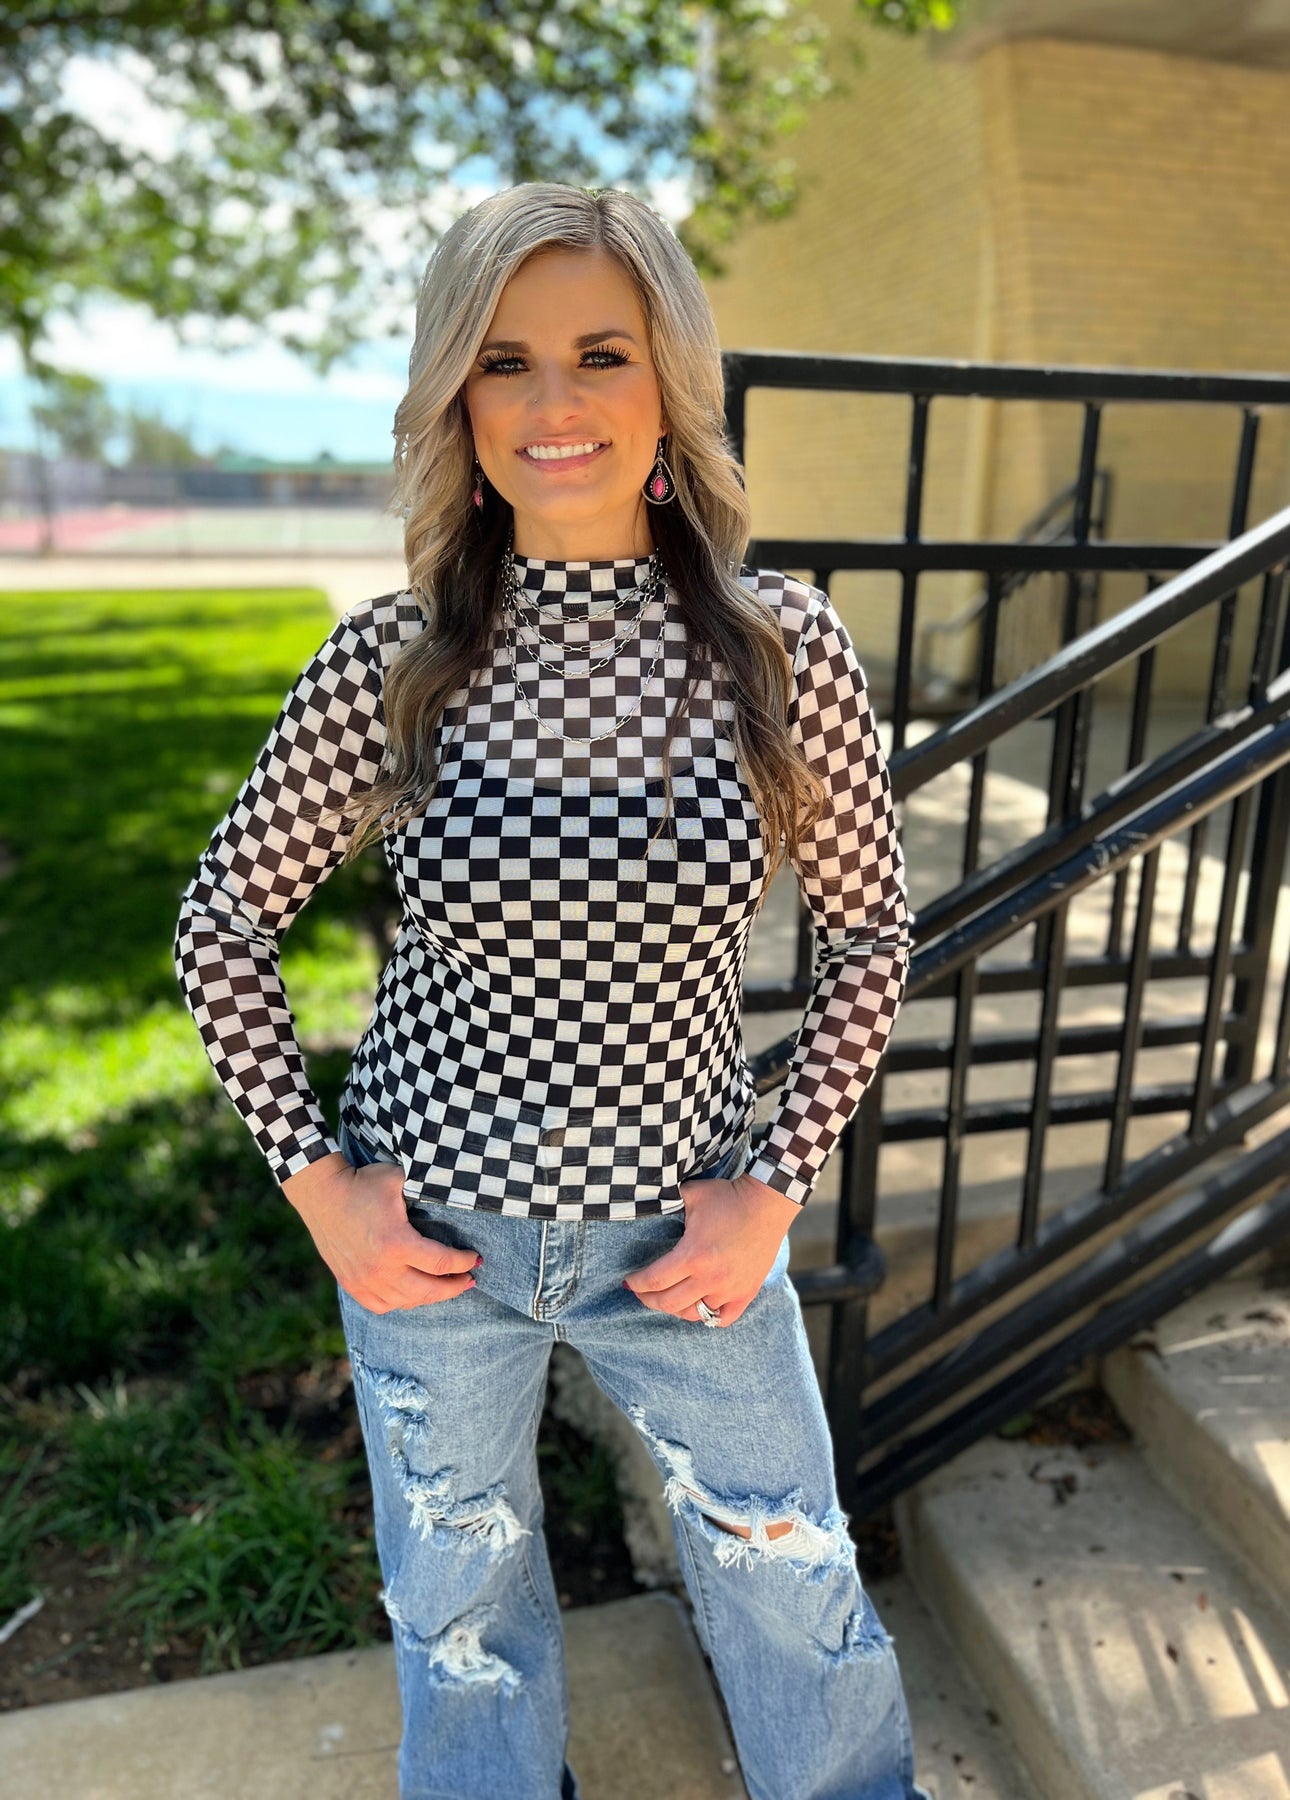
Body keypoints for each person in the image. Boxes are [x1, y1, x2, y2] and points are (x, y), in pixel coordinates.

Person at [173, 181, 931, 1800]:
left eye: (601, 353)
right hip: (429, 1246)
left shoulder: (780, 650)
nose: (553, 402)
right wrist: (317, 1187)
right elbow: (219, 924)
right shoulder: (393, 664)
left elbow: (871, 939)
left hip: (684, 1238)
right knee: (460, 1621)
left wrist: (773, 1186)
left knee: (792, 1582)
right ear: (456, 396)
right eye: (502, 360)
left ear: (669, 384)